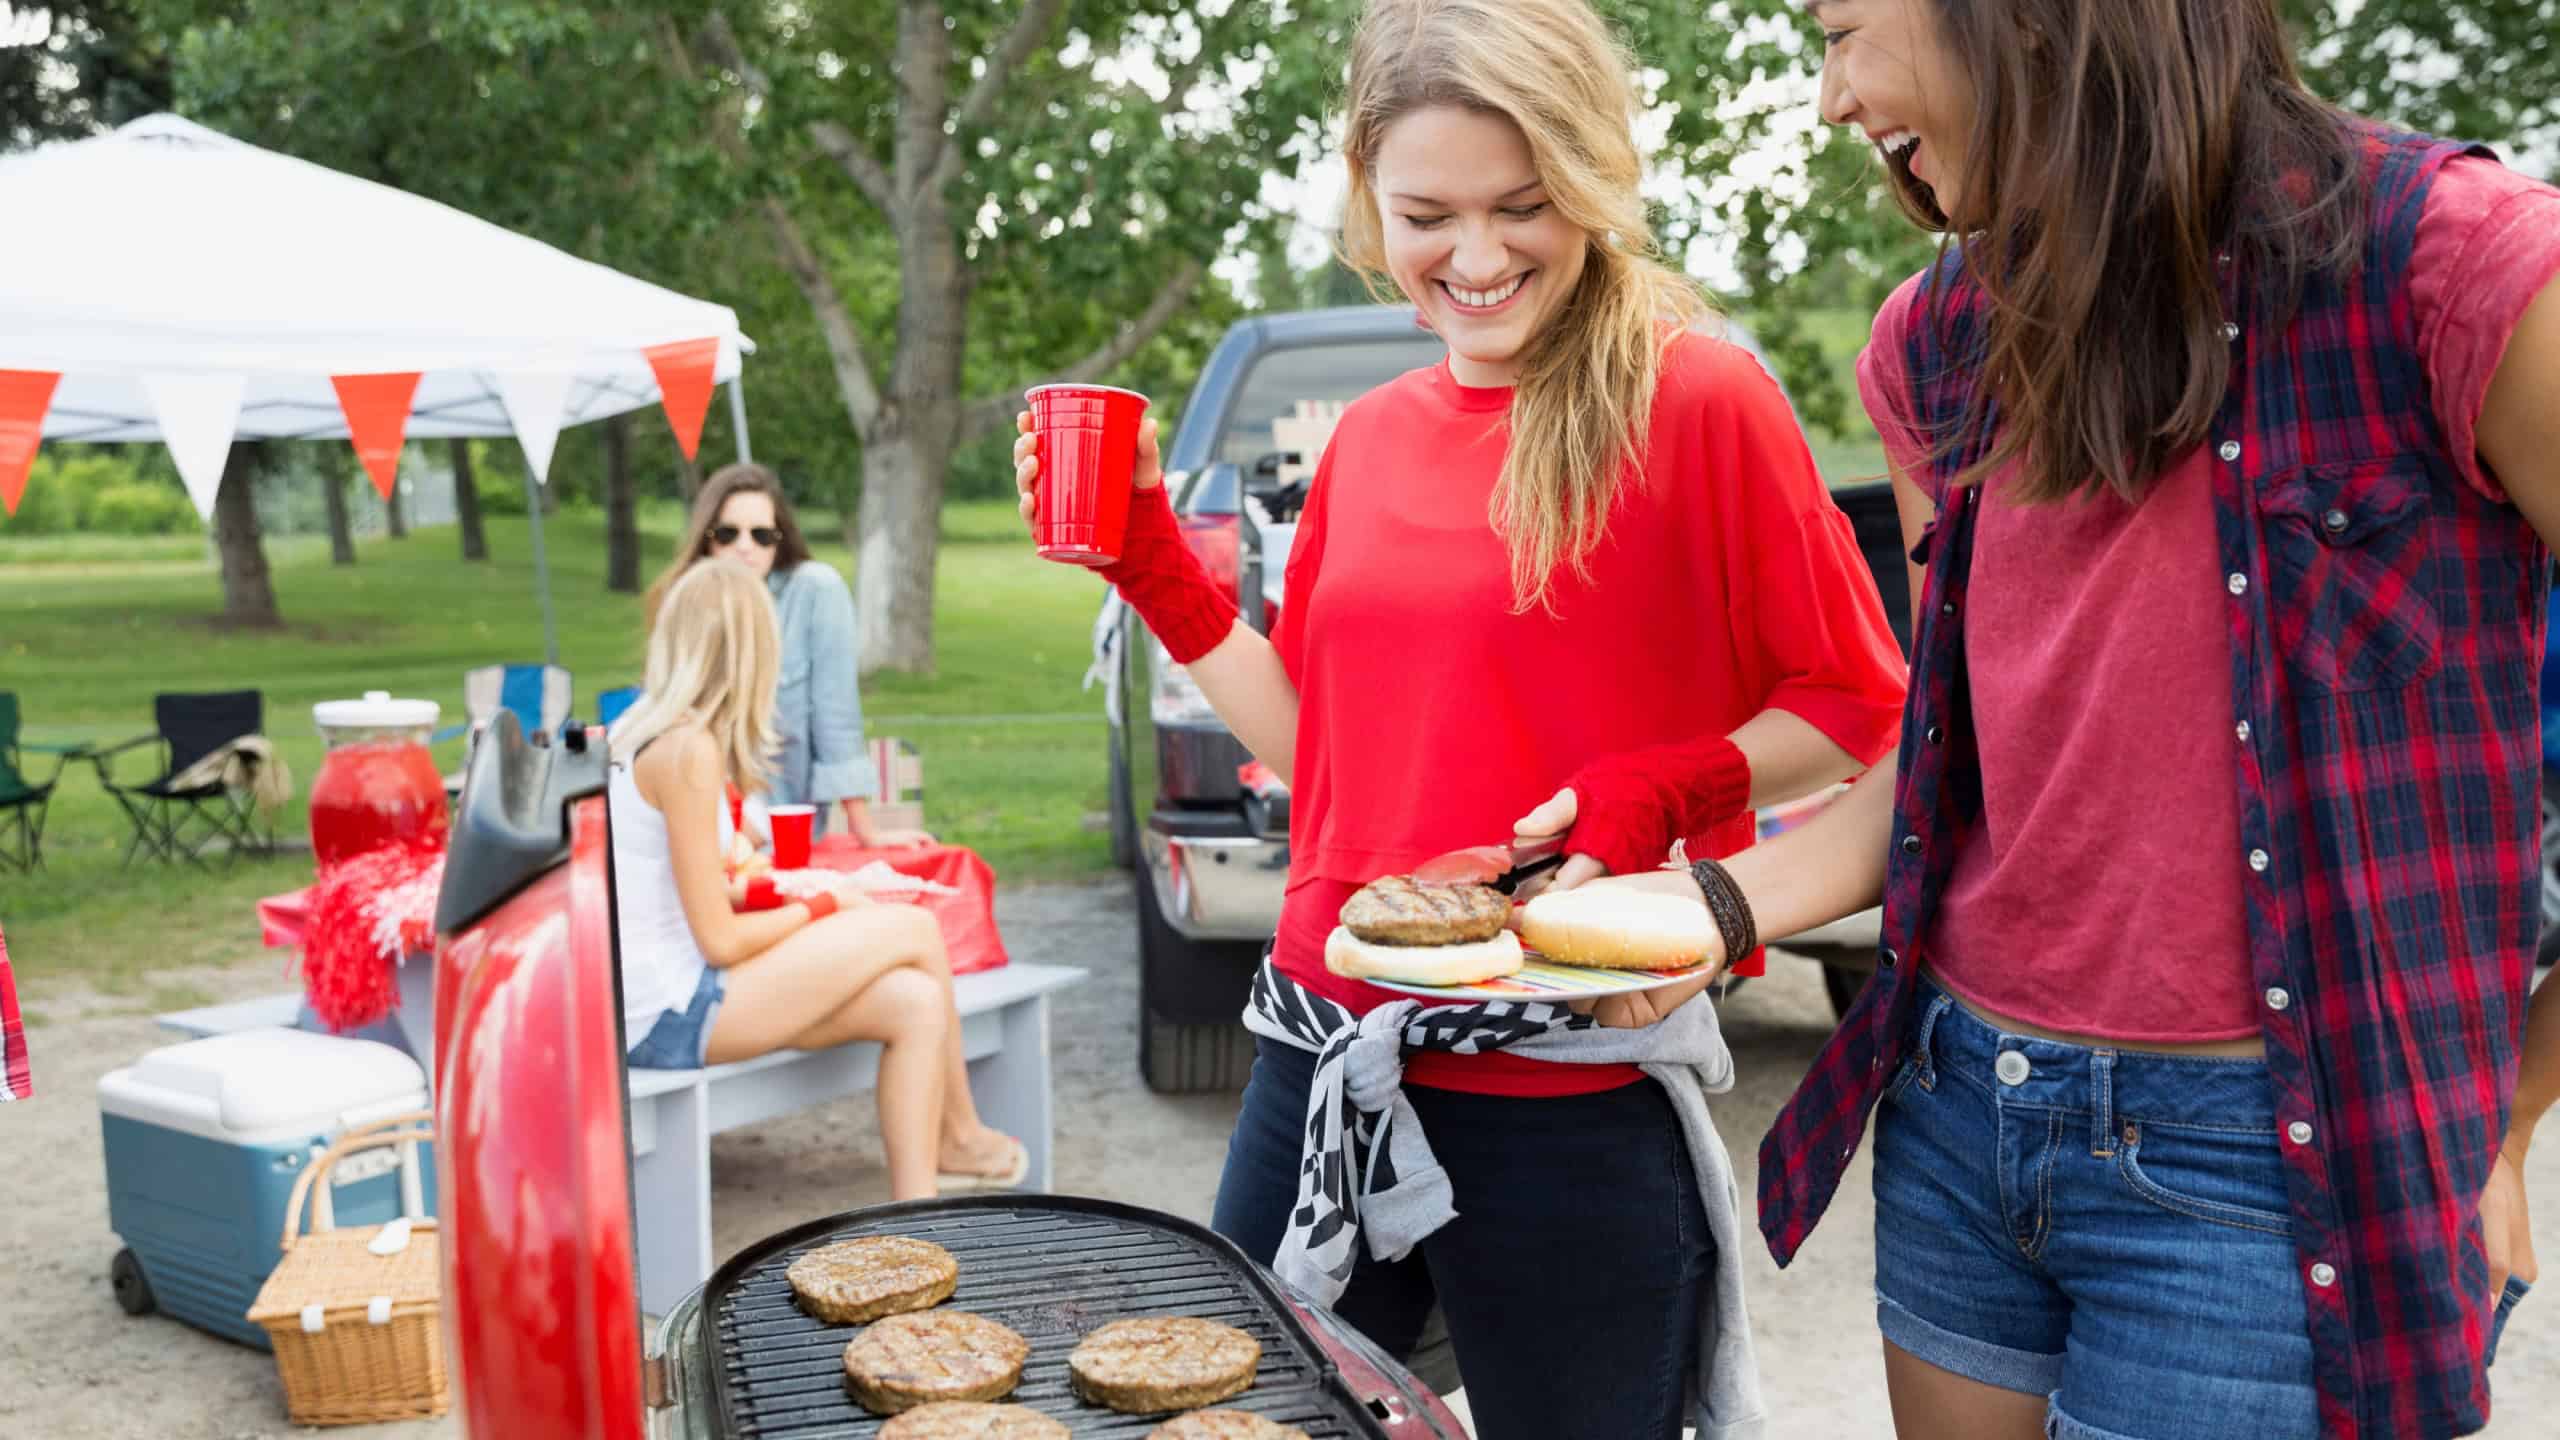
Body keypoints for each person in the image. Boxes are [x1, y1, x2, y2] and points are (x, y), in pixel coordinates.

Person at [1548, 3, 2560, 1436]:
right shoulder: (1934, 343)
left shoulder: (2453, 267)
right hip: (1964, 1110)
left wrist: (2512, 1110)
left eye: (1844, 30)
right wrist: (1705, 907)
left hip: (2268, 1167)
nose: (1833, 97)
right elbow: (1949, 758)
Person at [1014, 3, 1906, 1434]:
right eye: (1430, 213)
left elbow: (1859, 705)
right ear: (1370, 195)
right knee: (1256, 1418)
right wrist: (1153, 568)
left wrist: (1671, 784)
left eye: (1525, 206)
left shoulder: (1699, 395)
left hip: (1569, 1082)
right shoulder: (1368, 437)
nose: (1477, 258)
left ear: (1593, 181)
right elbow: (1327, 761)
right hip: (1323, 1056)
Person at [608, 559, 1023, 1198]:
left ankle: (918, 1211)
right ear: (751, 653)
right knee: (914, 925)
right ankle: (961, 1135)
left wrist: (800, 896)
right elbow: (718, 940)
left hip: (667, 995)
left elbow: (698, 891)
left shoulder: (643, 732)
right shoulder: (687, 751)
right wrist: (828, 902)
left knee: (914, 1002)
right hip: (674, 1011)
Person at [643, 463, 930, 848]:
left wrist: (867, 833)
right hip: (692, 802)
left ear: (779, 540)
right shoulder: (686, 601)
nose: (745, 547)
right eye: (728, 533)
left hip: (773, 814)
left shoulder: (814, 592)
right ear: (707, 539)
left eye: (762, 535)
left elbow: (836, 716)